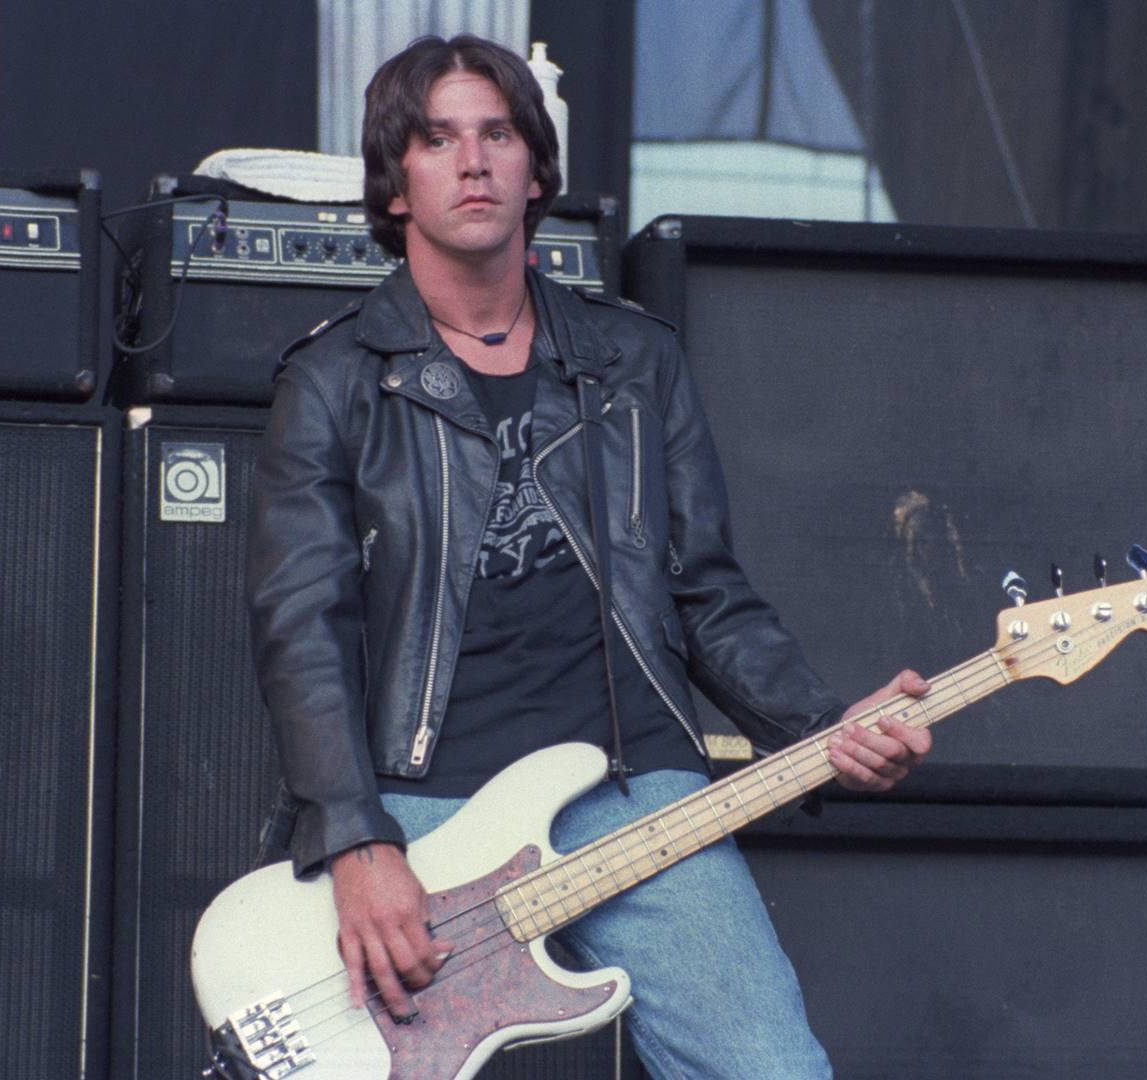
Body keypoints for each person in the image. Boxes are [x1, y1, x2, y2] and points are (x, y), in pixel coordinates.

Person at [245, 32, 931, 1078]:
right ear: (394, 184)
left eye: (498, 134)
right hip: (421, 796)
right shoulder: (335, 381)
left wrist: (821, 723)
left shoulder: (636, 361)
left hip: (632, 783)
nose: (474, 161)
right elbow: (302, 629)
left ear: (536, 171)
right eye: (438, 139)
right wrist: (355, 839)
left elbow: (705, 590)